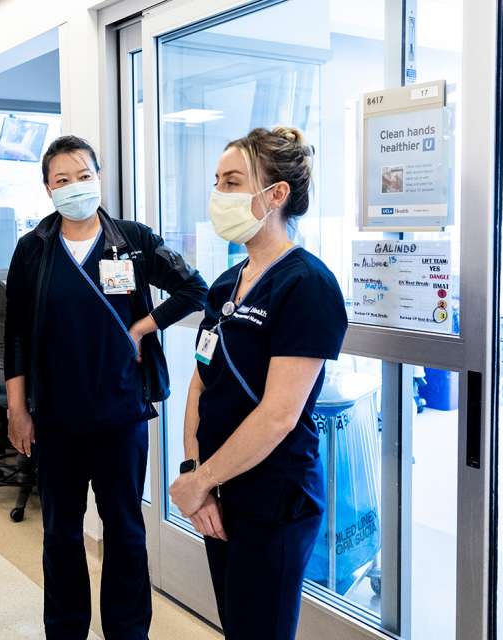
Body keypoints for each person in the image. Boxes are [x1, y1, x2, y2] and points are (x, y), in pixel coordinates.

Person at [4, 135, 209, 639]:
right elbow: (15, 335)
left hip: (121, 414)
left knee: (124, 530)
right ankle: (66, 630)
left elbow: (194, 288)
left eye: (83, 176)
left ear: (100, 177)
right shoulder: (33, 249)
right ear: (47, 189)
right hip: (56, 417)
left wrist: (145, 326)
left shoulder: (133, 239)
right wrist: (17, 409)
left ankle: (127, 631)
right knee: (61, 535)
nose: (75, 187)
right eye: (62, 180)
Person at [168, 126, 348, 640]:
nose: (219, 195)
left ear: (275, 195)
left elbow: (278, 414)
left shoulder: (308, 284)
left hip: (274, 498)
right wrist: (194, 474)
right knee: (238, 624)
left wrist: (199, 483)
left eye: (232, 181)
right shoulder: (227, 282)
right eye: (217, 182)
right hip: (216, 488)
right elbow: (201, 384)